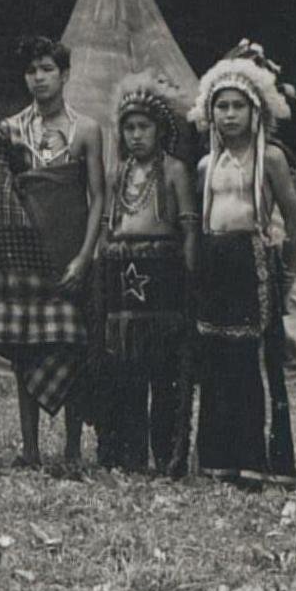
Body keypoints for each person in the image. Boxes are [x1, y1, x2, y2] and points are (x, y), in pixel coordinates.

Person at [0, 37, 105, 468]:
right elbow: (1, 194)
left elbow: (99, 198)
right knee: (26, 345)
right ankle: (30, 448)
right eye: (32, 70)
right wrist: (1, 257)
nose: (39, 78)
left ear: (64, 74)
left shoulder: (86, 129)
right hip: (24, 250)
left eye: (47, 69)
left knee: (70, 344)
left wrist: (85, 256)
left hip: (70, 249)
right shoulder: (10, 129)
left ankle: (71, 450)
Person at [188, 48, 296, 487]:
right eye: (222, 105)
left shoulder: (270, 158)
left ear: (255, 110)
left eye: (239, 106)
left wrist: (286, 274)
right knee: (216, 357)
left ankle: (258, 460)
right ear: (210, 112)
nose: (230, 114)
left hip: (253, 262)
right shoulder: (206, 164)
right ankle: (219, 458)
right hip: (216, 261)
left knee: (251, 359)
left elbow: (295, 221)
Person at [96, 71, 197, 475]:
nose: (136, 135)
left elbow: (189, 226)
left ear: (160, 129)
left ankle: (167, 452)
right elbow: (108, 224)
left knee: (164, 367)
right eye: (129, 128)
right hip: (123, 270)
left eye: (144, 127)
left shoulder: (174, 171)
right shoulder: (118, 172)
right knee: (126, 367)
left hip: (164, 272)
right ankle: (130, 453)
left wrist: (190, 275)